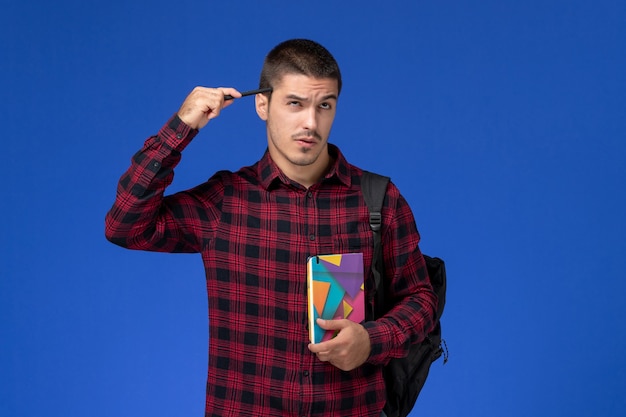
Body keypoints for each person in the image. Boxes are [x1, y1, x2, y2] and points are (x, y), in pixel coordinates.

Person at [105, 38, 437, 417]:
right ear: (262, 104)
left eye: (324, 105)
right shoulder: (224, 201)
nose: (310, 122)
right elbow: (124, 225)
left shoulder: (378, 199)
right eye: (294, 103)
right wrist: (180, 128)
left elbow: (421, 300)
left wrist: (372, 340)